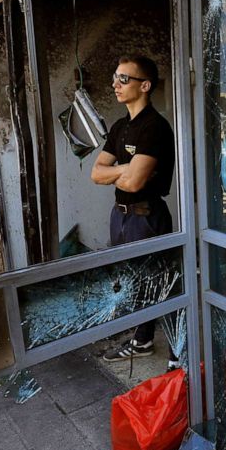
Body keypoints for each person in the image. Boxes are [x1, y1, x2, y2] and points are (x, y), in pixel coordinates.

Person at [91, 54, 176, 363]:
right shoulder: (120, 127)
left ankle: (173, 351)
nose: (116, 83)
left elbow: (135, 182)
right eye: (115, 77)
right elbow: (96, 173)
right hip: (121, 216)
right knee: (130, 279)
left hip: (146, 216)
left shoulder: (154, 127)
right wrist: (124, 169)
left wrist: (122, 172)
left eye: (124, 78)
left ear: (145, 85)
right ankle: (141, 340)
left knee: (156, 281)